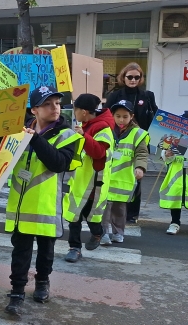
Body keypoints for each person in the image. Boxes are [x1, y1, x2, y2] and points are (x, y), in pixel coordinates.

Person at [4, 86, 84, 316]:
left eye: (57, 103)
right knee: (20, 252)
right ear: (34, 109)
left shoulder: (68, 135)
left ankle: (42, 283)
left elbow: (59, 163)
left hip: (47, 205)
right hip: (21, 206)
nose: (55, 108)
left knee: (45, 252)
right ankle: (17, 291)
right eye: (48, 104)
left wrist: (36, 140)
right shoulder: (18, 131)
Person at [63, 94, 115, 262]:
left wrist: (83, 136)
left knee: (92, 217)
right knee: (74, 217)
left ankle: (97, 233)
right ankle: (74, 248)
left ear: (84, 112)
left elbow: (99, 152)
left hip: (94, 185)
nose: (74, 113)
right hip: (79, 182)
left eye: (76, 110)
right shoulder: (85, 125)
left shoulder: (103, 128)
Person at [105, 63, 158, 223]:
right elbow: (107, 117)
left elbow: (157, 117)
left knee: (137, 177)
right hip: (118, 140)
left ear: (141, 78)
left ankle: (132, 214)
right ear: (123, 77)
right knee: (115, 177)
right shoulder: (115, 95)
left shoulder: (147, 96)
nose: (133, 80)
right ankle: (112, 211)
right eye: (130, 77)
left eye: (137, 77)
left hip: (139, 141)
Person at [100, 100, 149, 245]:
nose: (121, 120)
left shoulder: (138, 134)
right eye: (118, 116)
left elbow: (141, 153)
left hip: (123, 180)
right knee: (104, 209)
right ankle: (103, 233)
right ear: (113, 116)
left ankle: (118, 233)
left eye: (125, 116)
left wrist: (140, 167)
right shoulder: (106, 130)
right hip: (105, 177)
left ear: (131, 116)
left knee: (119, 210)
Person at [160, 110, 188, 235]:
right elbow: (165, 157)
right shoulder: (176, 139)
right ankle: (174, 223)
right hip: (176, 178)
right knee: (175, 202)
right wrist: (167, 154)